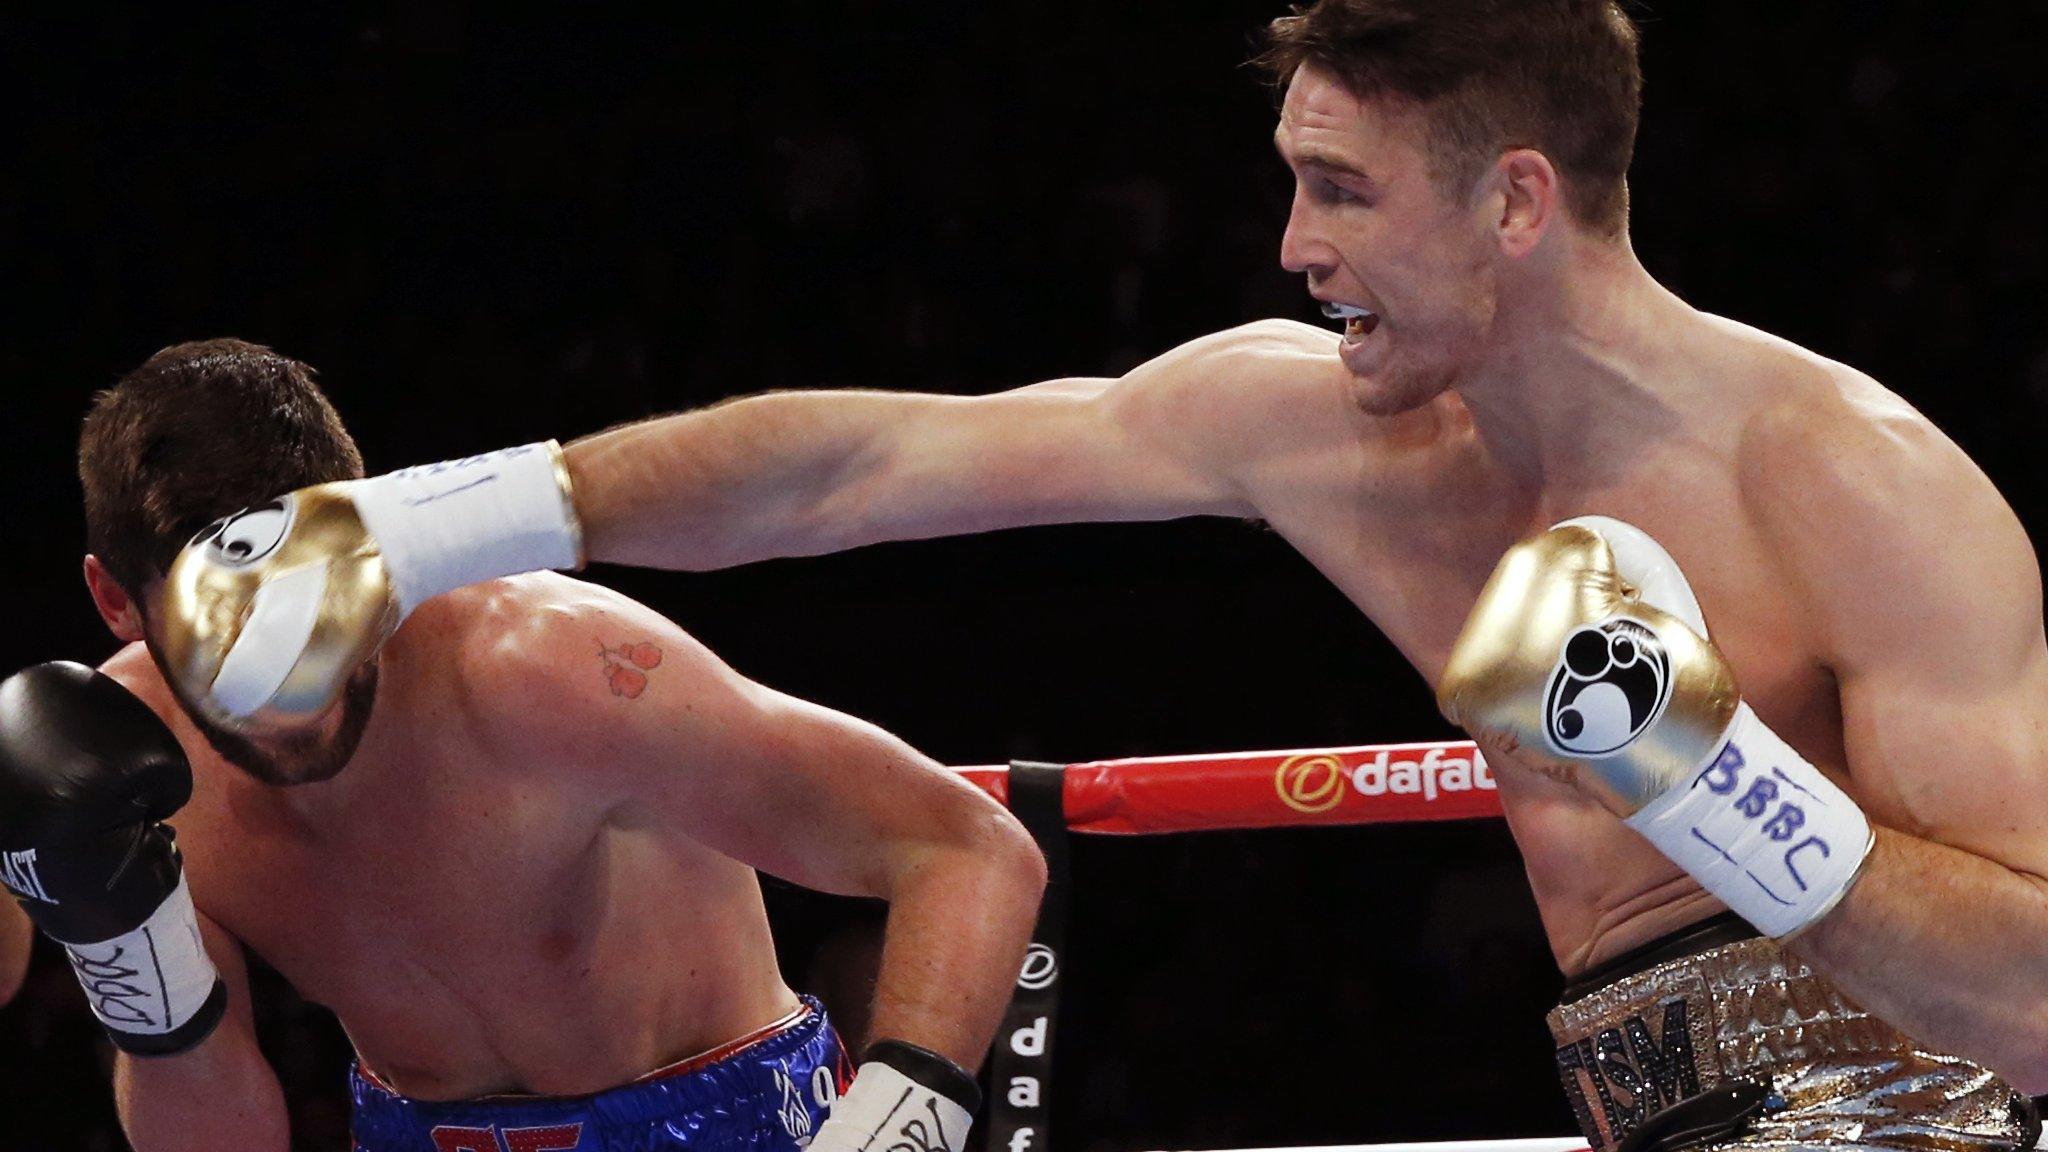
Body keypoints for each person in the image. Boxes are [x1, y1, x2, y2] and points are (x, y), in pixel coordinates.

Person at [152, 2, 2048, 1151]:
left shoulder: (1844, 485)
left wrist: (1717, 786)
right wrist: (406, 524)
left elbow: (2035, 1000)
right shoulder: (1314, 422)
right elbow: (864, 459)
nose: (1290, 241)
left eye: (1340, 188)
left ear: (1516, 200)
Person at [0, 338, 1046, 1151]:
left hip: (730, 1120)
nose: (294, 699)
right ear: (116, 604)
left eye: (322, 618)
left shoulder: (550, 668)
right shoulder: (112, 767)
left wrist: (888, 1126)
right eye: (231, 651)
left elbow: (963, 847)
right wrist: (126, 959)